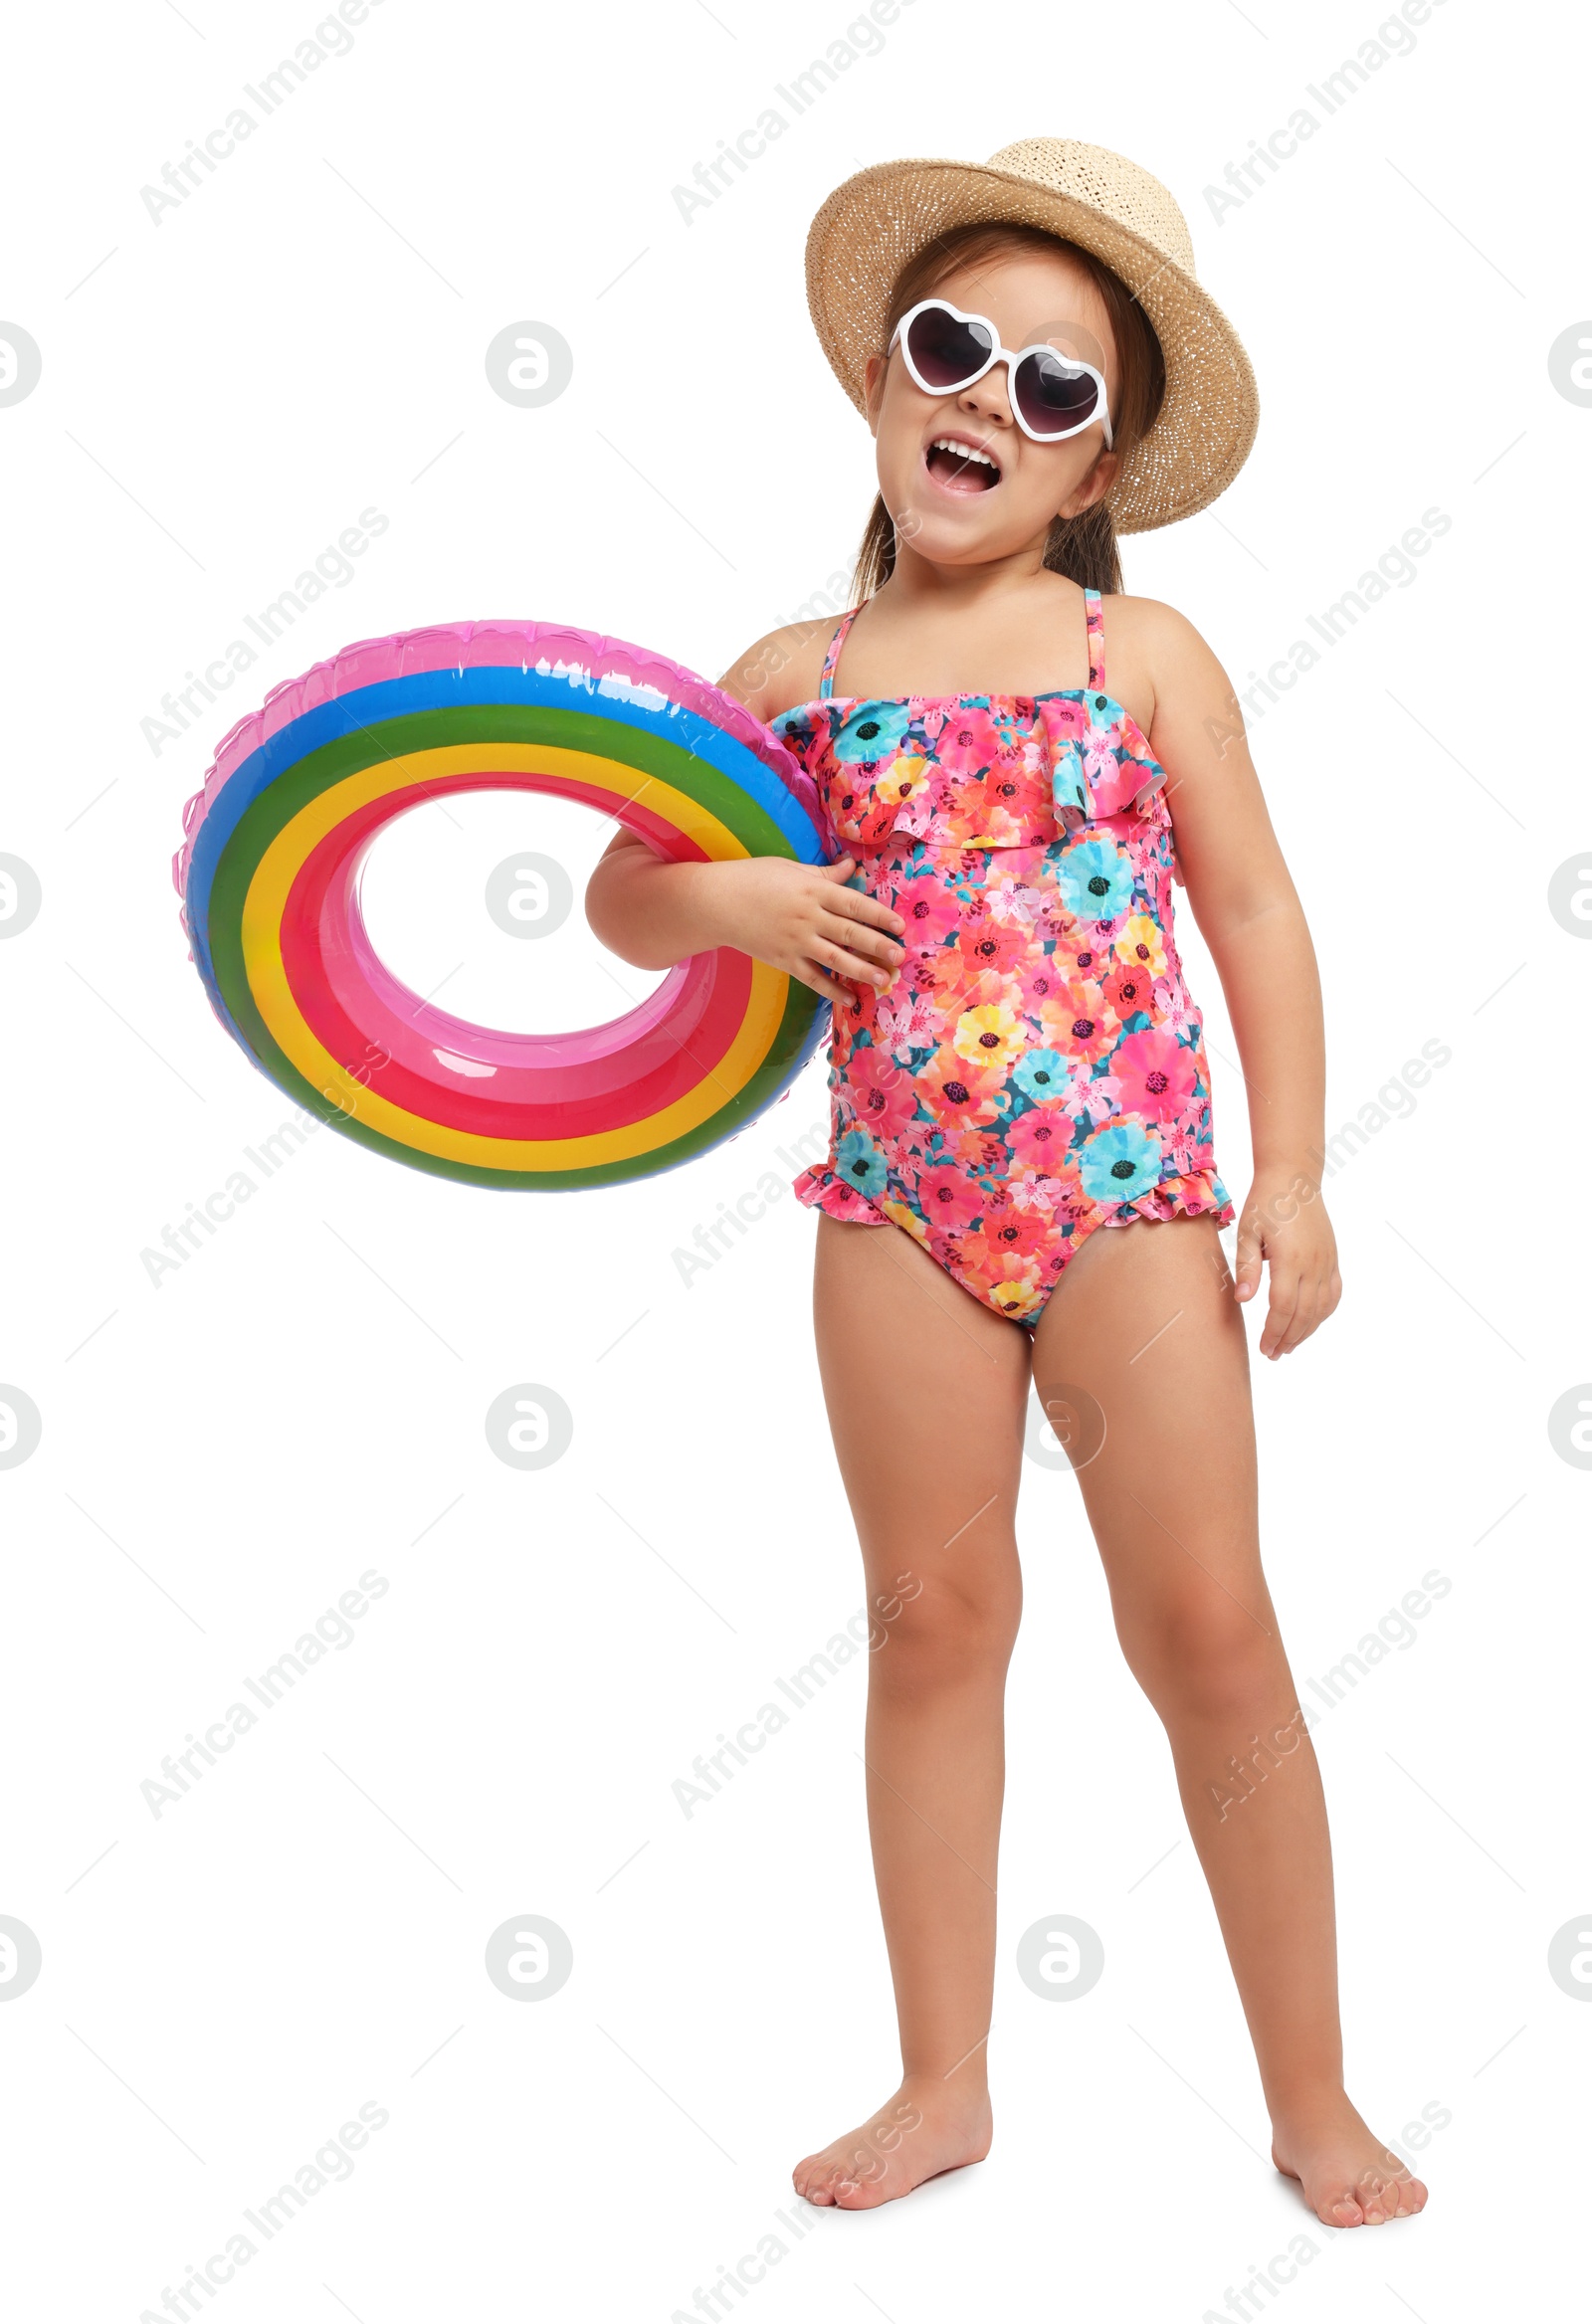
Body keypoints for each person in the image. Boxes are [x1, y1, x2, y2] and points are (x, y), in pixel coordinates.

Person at [584, 137, 1429, 2229]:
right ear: (881, 381)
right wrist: (743, 896)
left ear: (1091, 473)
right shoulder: (796, 677)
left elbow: (1252, 911)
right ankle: (938, 2078)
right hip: (898, 1209)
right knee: (931, 1617)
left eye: (1053, 389)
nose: (989, 401)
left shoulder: (1133, 660)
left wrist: (1295, 1172)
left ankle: (1309, 2090)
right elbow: (622, 902)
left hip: (1129, 1191)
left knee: (1207, 1625)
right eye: (954, 349)